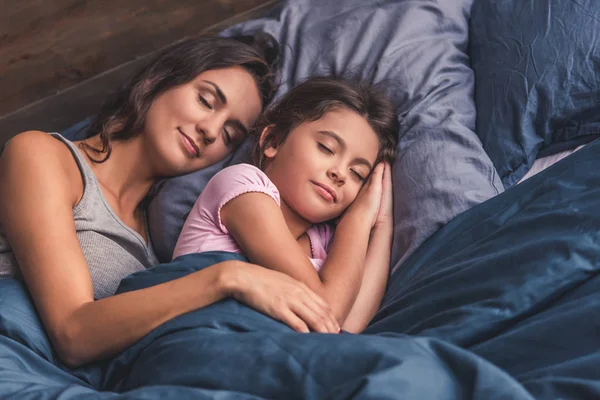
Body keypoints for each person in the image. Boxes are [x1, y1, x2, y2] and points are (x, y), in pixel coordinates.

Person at [0, 33, 342, 369]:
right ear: (156, 79)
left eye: (229, 134)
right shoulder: (42, 156)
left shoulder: (162, 248)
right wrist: (229, 278)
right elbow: (72, 333)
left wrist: (368, 218)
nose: (210, 130)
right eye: (206, 101)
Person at [173, 77, 399, 333]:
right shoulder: (241, 185)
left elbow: (346, 329)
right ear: (273, 142)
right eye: (326, 148)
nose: (340, 174)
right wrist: (357, 222)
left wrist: (380, 223)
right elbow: (326, 310)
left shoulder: (327, 244)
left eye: (357, 173)